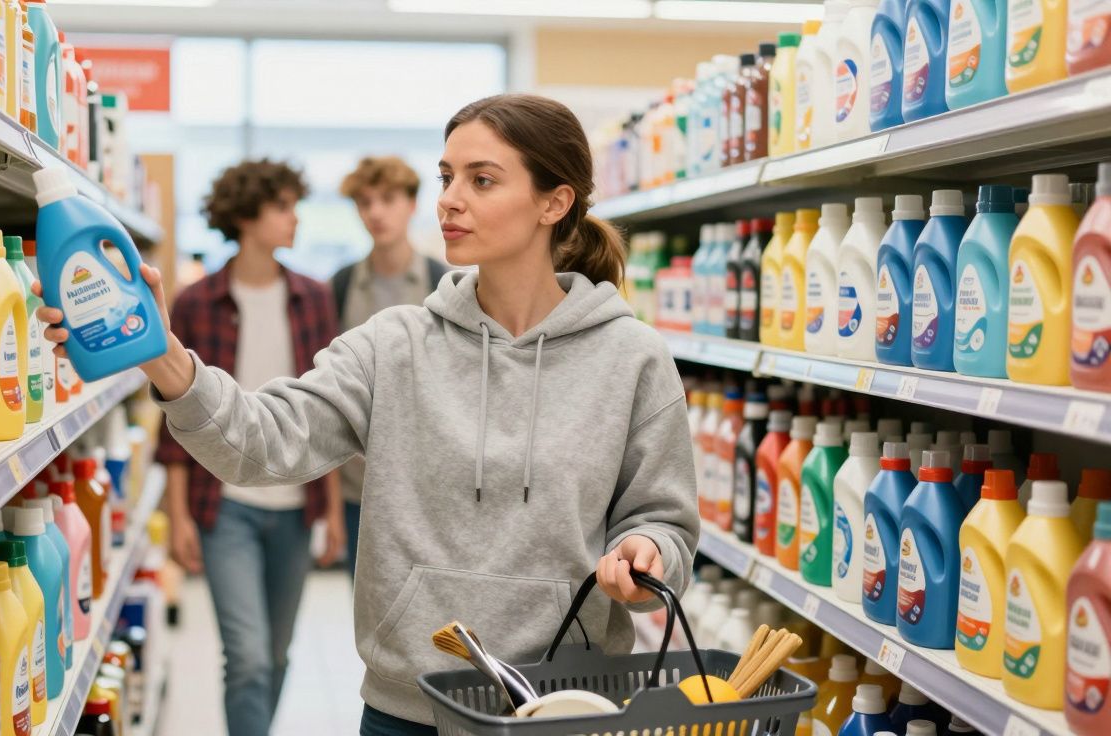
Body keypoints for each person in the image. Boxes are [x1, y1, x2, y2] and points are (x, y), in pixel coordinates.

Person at [38, 94, 699, 736]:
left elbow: (663, 520)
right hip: (409, 705)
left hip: (568, 707)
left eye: (482, 179)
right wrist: (162, 355)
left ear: (554, 203)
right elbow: (263, 442)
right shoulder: (395, 343)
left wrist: (648, 555)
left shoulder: (631, 358)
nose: (449, 198)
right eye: (446, 177)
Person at [151, 158, 346, 736]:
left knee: (278, 654)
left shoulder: (312, 298)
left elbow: (327, 414)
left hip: (294, 506)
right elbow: (179, 416)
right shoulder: (195, 301)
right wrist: (178, 512)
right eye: (283, 207)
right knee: (250, 656)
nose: (294, 220)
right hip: (223, 506)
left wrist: (332, 510)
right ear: (246, 215)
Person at [332, 155, 448, 575]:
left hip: (431, 485)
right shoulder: (340, 286)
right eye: (365, 202)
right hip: (358, 484)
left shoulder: (445, 283)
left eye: (388, 199)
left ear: (413, 203)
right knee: (367, 608)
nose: (376, 212)